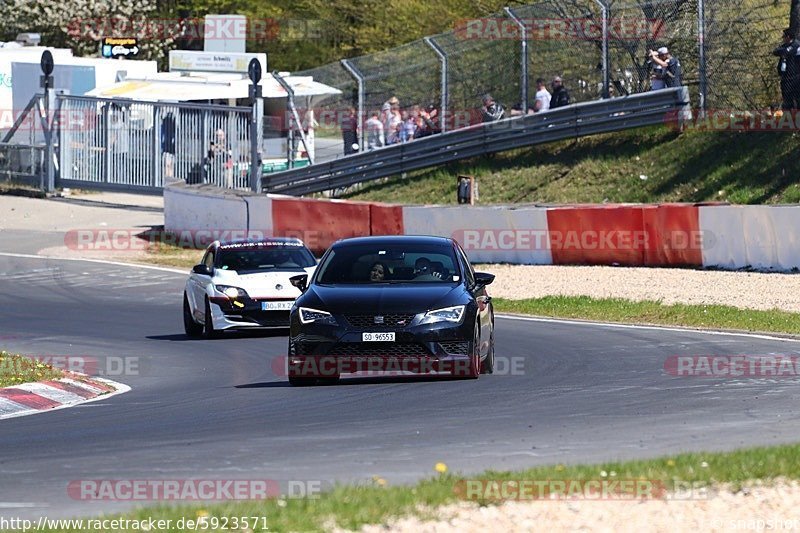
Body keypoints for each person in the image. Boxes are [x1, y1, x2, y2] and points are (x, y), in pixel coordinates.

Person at [773, 28, 800, 110]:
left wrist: (784, 52)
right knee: (787, 100)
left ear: (788, 37)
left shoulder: (796, 45)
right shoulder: (785, 46)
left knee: (797, 99)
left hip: (795, 78)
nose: (783, 38)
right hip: (786, 78)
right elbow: (776, 51)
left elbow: (787, 52)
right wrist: (783, 52)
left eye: (784, 36)